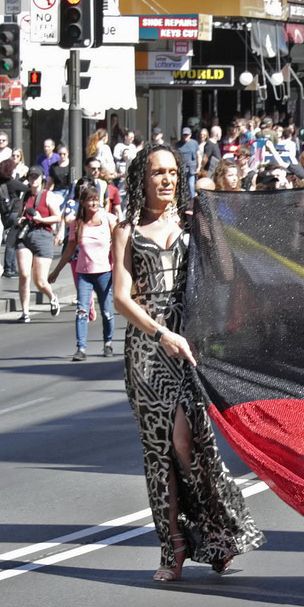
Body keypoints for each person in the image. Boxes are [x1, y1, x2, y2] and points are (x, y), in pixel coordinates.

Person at [112, 146, 264, 581]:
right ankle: (173, 546)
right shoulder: (126, 230)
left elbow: (227, 272)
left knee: (191, 443)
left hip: (190, 345)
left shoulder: (189, 222)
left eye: (173, 172)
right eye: (158, 172)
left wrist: (210, 219)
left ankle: (216, 534)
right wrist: (161, 333)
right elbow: (122, 298)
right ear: (141, 177)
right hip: (148, 349)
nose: (166, 179)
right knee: (160, 450)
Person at [50, 182, 117, 362]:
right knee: (81, 311)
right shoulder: (77, 224)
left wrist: (122, 269)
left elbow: (118, 246)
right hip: (84, 274)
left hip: (104, 273)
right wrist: (56, 271)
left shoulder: (108, 220)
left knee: (106, 311)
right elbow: (70, 250)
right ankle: (81, 348)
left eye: (96, 200)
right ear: (83, 202)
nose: (94, 204)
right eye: (90, 201)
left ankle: (108, 343)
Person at [15, 172, 64, 322]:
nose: (33, 180)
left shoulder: (48, 196)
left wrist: (41, 219)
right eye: (31, 177)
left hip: (43, 236)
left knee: (40, 280)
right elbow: (19, 214)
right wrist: (20, 219)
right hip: (25, 236)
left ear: (41, 179)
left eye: (36, 177)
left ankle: (52, 296)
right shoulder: (26, 195)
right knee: (24, 274)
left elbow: (57, 217)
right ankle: (25, 312)